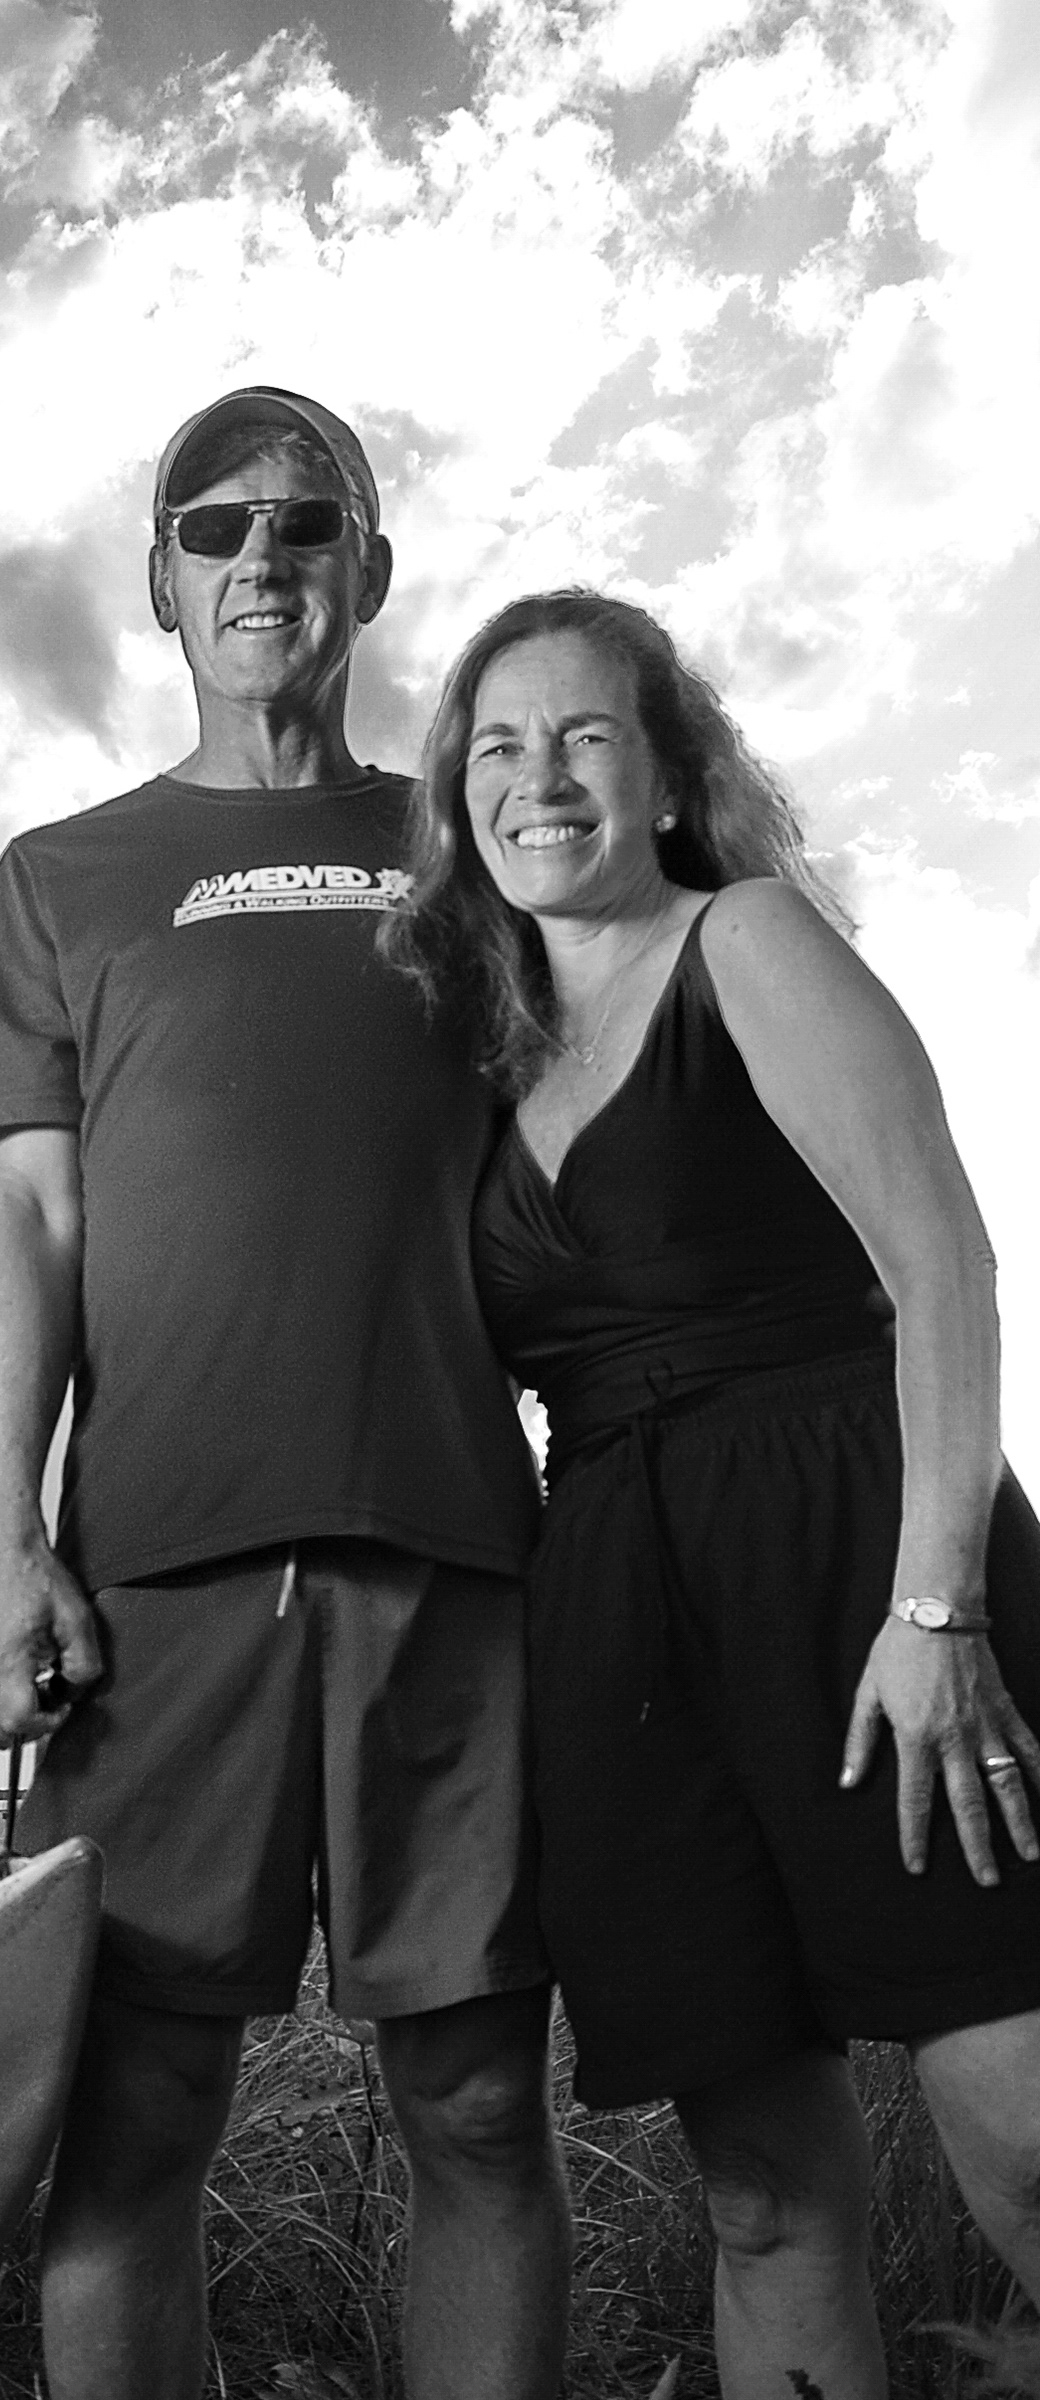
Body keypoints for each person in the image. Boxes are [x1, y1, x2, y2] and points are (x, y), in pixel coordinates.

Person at [0, 390, 572, 2400]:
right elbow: (29, 1216)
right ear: (160, 582)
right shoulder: (64, 875)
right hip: (157, 1584)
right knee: (132, 2128)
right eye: (212, 527)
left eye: (308, 521)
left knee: (481, 2109)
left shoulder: (477, 852)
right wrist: (0, 1544)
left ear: (369, 569)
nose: (260, 556)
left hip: (451, 1558)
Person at [382, 586, 1040, 2398]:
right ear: (459, 797)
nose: (540, 778)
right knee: (758, 2191)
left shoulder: (745, 938)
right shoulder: (487, 1052)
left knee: (1023, 2130)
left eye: (585, 734)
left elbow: (945, 1262)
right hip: (620, 1616)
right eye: (499, 747)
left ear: (668, 777)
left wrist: (938, 1605)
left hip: (855, 1558)